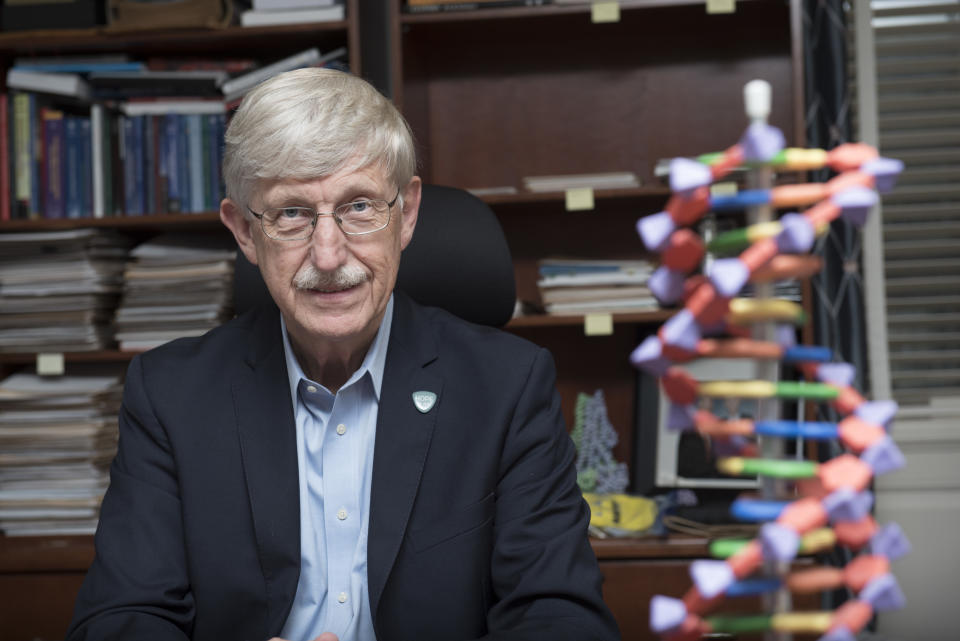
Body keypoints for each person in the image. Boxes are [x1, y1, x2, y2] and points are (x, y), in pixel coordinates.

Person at [67, 68, 620, 641]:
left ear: (405, 214)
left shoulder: (508, 386)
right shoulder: (171, 394)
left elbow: (562, 619)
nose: (328, 256)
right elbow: (121, 619)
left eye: (359, 206)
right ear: (244, 232)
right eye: (290, 214)